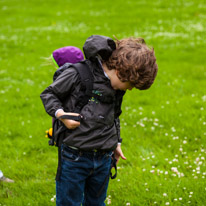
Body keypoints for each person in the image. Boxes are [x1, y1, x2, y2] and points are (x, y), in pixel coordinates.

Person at [40, 35, 158, 206]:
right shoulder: (78, 74)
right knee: (69, 202)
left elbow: (114, 115)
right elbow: (49, 94)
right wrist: (61, 114)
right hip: (74, 157)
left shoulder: (117, 88)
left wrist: (116, 143)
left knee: (96, 202)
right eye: (131, 85)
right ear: (120, 73)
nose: (130, 89)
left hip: (104, 157)